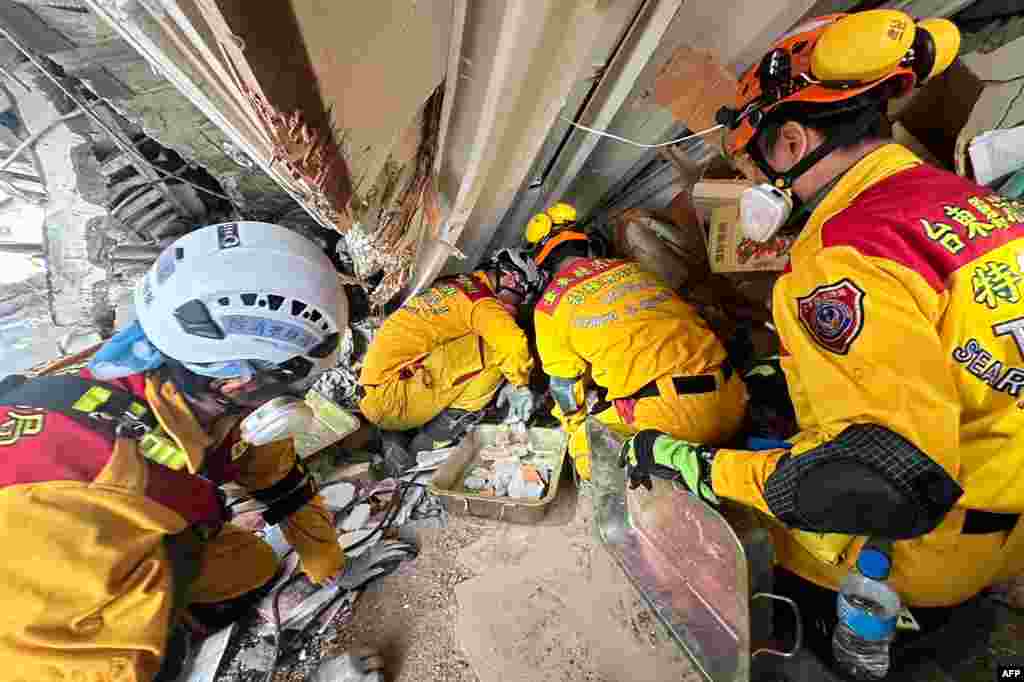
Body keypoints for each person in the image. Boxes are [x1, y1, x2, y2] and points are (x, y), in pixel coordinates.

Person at [621, 8, 1024, 663]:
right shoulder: (971, 204)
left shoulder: (844, 252)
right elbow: (938, 346)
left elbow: (876, 481)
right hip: (1005, 515)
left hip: (918, 556)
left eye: (751, 167)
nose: (753, 183)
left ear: (790, 142)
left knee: (739, 544)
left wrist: (701, 468)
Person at [0, 222, 409, 682]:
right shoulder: (66, 496)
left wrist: (333, 568)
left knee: (252, 567)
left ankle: (172, 619)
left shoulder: (184, 383)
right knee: (146, 661)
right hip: (29, 619)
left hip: (123, 536)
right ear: (236, 383)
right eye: (297, 383)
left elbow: (278, 478)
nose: (300, 396)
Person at [526, 202, 747, 480]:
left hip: (680, 417)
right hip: (734, 396)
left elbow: (563, 387)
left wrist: (574, 425)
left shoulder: (549, 307)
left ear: (544, 267)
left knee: (583, 448)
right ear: (587, 246)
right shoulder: (635, 269)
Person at [358, 248, 544, 463]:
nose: (518, 304)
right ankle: (436, 436)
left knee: (488, 341)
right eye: (522, 296)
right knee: (495, 348)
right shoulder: (482, 303)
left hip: (380, 389)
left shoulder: (457, 284)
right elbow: (512, 342)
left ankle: (402, 431)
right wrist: (520, 385)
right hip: (393, 400)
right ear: (512, 279)